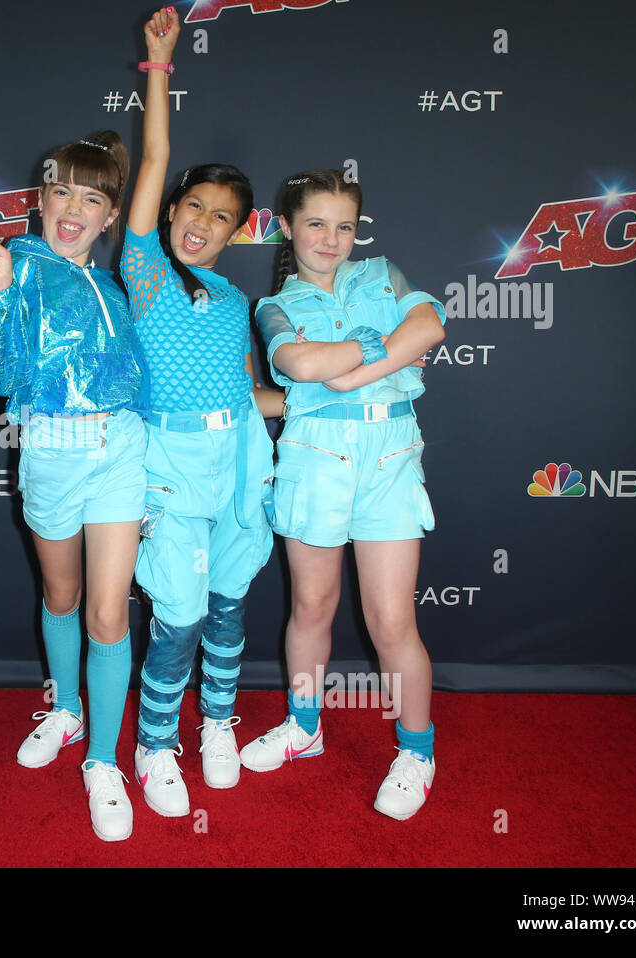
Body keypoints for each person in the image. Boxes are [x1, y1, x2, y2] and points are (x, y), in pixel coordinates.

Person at [0, 130, 144, 842]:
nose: (73, 209)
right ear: (41, 200)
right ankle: (66, 711)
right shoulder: (18, 264)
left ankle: (102, 761)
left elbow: (139, 380)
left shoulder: (117, 284)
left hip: (120, 449)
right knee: (61, 596)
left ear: (110, 215)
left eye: (92, 198)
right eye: (62, 192)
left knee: (108, 614)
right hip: (51, 454)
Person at [244, 169, 446, 821]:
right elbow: (299, 367)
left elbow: (430, 327)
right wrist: (381, 353)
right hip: (312, 462)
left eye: (343, 226)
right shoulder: (273, 304)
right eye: (315, 223)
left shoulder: (383, 273)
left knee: (392, 621)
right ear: (288, 226)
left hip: (388, 460)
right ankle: (306, 727)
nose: (330, 239)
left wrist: (354, 369)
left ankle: (417, 751)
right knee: (312, 606)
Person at [123, 7, 283, 818]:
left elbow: (247, 395)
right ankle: (156, 745)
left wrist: (325, 398)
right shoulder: (145, 273)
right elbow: (153, 157)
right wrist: (160, 65)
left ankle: (217, 722)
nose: (202, 223)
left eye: (222, 216)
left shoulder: (236, 299)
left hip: (241, 457)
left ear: (239, 230)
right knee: (177, 615)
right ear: (174, 207)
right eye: (193, 206)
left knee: (228, 605)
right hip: (170, 468)